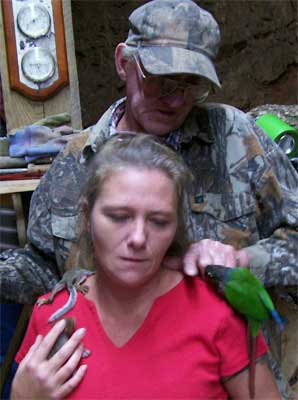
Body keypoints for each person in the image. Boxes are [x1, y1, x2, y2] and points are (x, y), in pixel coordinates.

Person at [0, 0, 297, 395]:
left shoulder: (237, 139)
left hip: (244, 374)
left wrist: (243, 262)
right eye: (159, 78)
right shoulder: (76, 162)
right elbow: (43, 266)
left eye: (189, 84)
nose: (173, 98)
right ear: (124, 63)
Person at [11, 134, 280, 399]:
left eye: (159, 221)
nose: (138, 238)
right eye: (118, 217)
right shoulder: (54, 312)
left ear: (176, 228)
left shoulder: (216, 312)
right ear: (87, 216)